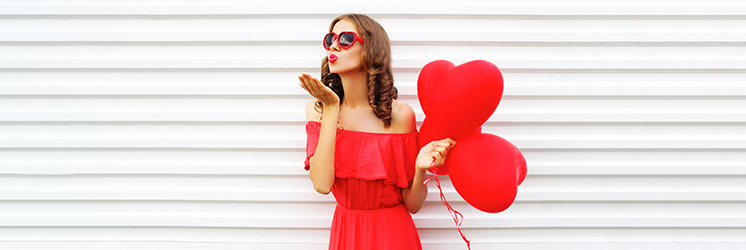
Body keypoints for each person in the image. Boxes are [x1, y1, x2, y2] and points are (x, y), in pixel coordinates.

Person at [298, 14, 457, 250]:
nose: (333, 45)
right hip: (346, 232)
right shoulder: (318, 110)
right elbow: (322, 184)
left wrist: (419, 169)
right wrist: (331, 108)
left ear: (371, 50)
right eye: (330, 38)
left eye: (345, 39)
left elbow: (412, 204)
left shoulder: (400, 115)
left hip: (393, 234)